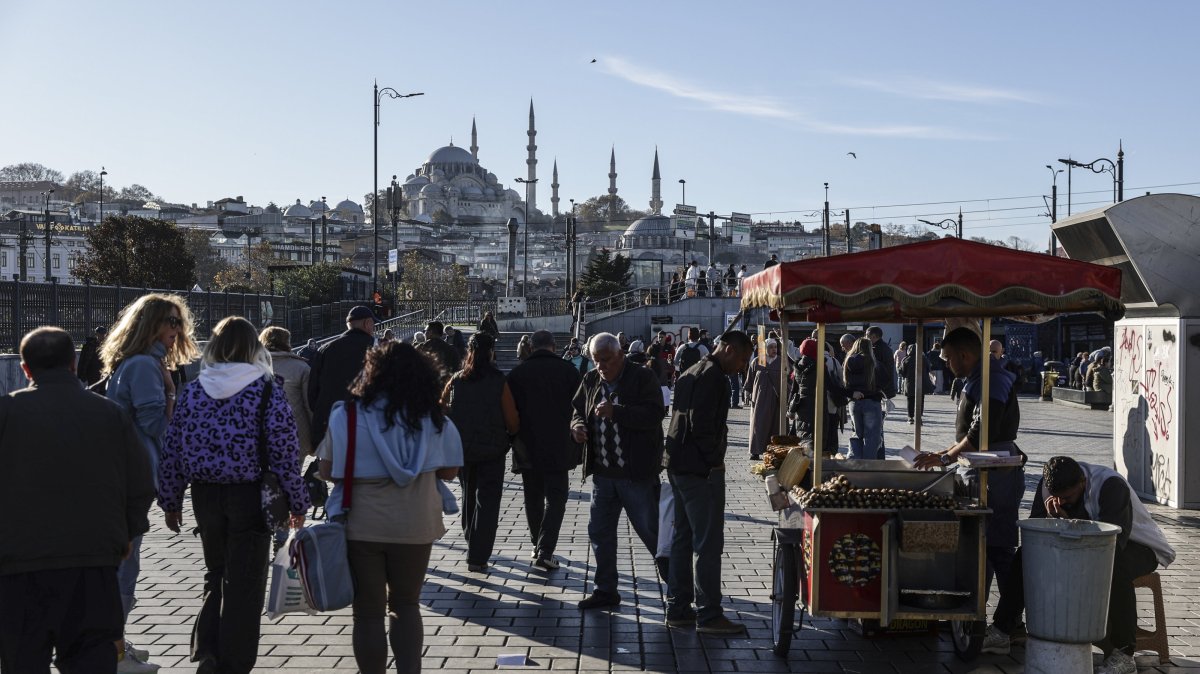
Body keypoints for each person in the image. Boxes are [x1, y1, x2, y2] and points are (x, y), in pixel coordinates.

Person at [158, 316, 309, 674]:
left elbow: (174, 449)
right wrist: (298, 502)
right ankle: (234, 664)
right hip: (251, 497)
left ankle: (208, 650)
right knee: (245, 583)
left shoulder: (194, 390)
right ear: (253, 348)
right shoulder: (267, 389)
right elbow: (285, 452)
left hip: (206, 497)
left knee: (216, 573)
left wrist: (170, 500)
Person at [0, 327, 155, 674]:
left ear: (26, 369)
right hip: (93, 561)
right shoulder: (109, 414)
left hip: (20, 565)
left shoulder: (6, 413)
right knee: (91, 658)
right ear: (74, 363)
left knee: (23, 660)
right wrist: (128, 532)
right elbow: (141, 483)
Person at [317, 342, 463, 674]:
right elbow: (451, 470)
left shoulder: (346, 415)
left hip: (361, 524)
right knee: (406, 604)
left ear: (371, 373)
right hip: (416, 523)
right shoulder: (433, 419)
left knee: (368, 611)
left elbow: (327, 470)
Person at [982, 457, 1175, 674]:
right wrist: (1051, 519)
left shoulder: (1110, 485)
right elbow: (1036, 531)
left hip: (1137, 546)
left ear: (1082, 482)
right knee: (1028, 553)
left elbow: (1111, 540)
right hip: (1088, 543)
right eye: (1059, 498)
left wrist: (1068, 520)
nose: (1064, 502)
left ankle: (1124, 653)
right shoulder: (1047, 486)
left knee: (1113, 566)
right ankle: (1002, 629)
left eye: (1068, 497)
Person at [102, 292, 200, 672]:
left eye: (179, 322)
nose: (177, 330)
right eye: (170, 322)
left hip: (127, 473)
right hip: (136, 475)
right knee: (126, 567)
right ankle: (114, 652)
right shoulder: (144, 366)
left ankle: (116, 641)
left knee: (124, 563)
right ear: (150, 325)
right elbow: (157, 426)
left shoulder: (136, 362)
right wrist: (173, 395)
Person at [914, 327, 1025, 596]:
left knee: (998, 548)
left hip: (995, 476)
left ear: (964, 355)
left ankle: (1008, 624)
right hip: (980, 469)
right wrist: (942, 454)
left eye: (949, 358)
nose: (948, 365)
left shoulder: (992, 378)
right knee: (981, 546)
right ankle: (979, 613)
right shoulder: (978, 378)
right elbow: (969, 433)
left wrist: (944, 457)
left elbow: (980, 432)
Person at [663, 330, 754, 634]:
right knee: (708, 543)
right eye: (741, 359)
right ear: (727, 348)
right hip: (699, 470)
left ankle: (678, 607)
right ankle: (710, 614)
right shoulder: (714, 377)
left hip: (678, 465)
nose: (742, 366)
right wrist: (715, 459)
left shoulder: (693, 370)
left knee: (683, 539)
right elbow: (701, 424)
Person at [572, 332, 665, 609]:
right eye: (596, 361)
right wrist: (576, 426)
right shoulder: (590, 380)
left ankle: (678, 591)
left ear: (620, 355)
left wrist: (617, 412)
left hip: (636, 474)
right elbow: (577, 409)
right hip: (603, 474)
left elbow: (654, 414)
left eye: (606, 360)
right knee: (599, 532)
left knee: (653, 533)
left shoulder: (641, 377)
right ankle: (605, 590)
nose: (601, 366)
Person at [443, 332, 519, 573]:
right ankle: (478, 554)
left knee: (468, 495)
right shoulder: (499, 380)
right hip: (492, 450)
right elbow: (512, 420)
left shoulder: (456, 379)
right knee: (487, 502)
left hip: (463, 450)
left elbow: (441, 408)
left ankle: (471, 539)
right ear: (491, 352)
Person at [507, 331, 583, 571]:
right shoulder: (568, 371)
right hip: (559, 444)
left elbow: (510, 411)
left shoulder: (518, 373)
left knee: (533, 497)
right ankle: (546, 548)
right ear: (553, 346)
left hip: (527, 444)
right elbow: (579, 406)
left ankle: (535, 543)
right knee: (557, 498)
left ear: (530, 346)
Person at [308, 306, 376, 447]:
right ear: (367, 323)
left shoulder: (325, 349)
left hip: (327, 425)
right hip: (364, 427)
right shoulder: (377, 350)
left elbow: (312, 392)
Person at [260, 326, 314, 456]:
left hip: (259, 434)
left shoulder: (251, 366)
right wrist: (316, 437)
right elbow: (310, 404)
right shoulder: (301, 368)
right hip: (295, 434)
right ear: (287, 343)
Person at [789, 338, 849, 452]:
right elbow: (832, 387)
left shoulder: (797, 366)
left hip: (801, 409)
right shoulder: (820, 366)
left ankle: (805, 465)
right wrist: (850, 393)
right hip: (818, 407)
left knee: (804, 438)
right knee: (818, 441)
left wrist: (790, 409)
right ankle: (816, 467)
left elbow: (794, 391)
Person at [842, 337, 883, 460]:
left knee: (857, 434)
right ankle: (868, 466)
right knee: (871, 436)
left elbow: (843, 383)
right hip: (871, 401)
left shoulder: (848, 361)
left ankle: (855, 463)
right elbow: (886, 379)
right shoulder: (873, 362)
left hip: (854, 402)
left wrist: (851, 393)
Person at [744, 338, 781, 460]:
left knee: (775, 425)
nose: (773, 350)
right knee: (758, 424)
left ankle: (775, 451)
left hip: (776, 400)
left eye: (775, 347)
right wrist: (747, 392)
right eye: (770, 347)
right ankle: (755, 451)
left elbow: (789, 379)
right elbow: (750, 378)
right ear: (765, 349)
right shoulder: (757, 361)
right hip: (759, 399)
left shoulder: (781, 362)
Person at [416, 320, 461, 385]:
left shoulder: (421, 348)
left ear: (430, 332)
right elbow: (456, 370)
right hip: (445, 386)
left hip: (425, 386)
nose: (424, 333)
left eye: (425, 331)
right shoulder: (451, 349)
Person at [900, 344, 929, 424]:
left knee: (910, 400)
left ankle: (911, 417)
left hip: (910, 383)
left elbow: (901, 372)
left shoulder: (906, 359)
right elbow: (929, 368)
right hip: (921, 383)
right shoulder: (923, 358)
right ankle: (919, 418)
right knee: (920, 400)